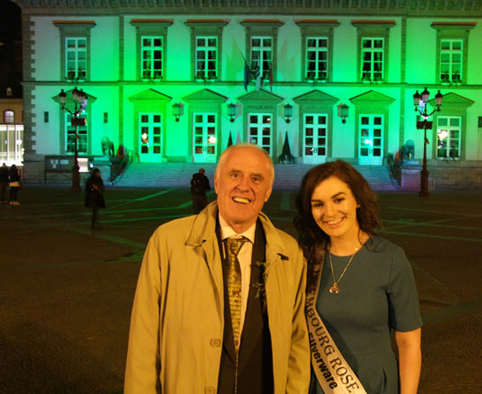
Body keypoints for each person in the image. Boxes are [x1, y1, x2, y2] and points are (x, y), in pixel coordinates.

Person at [125, 144, 310, 393]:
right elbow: (144, 339)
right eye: (234, 175)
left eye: (256, 179)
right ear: (217, 182)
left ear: (267, 191)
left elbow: (298, 341)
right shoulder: (168, 241)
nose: (244, 186)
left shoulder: (289, 252)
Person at [294, 160, 422, 394]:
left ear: (358, 200)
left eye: (338, 199)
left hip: (375, 383)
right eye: (318, 204)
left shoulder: (390, 258)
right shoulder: (304, 260)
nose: (329, 212)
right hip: (321, 384)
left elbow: (409, 343)